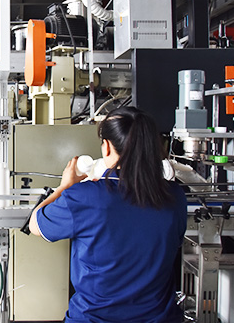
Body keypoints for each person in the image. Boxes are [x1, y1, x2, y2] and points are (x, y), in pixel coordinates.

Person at [29, 106, 187, 323]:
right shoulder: (175, 196)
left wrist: (64, 186)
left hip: (94, 318)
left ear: (107, 147)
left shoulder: (84, 196)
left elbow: (36, 224)